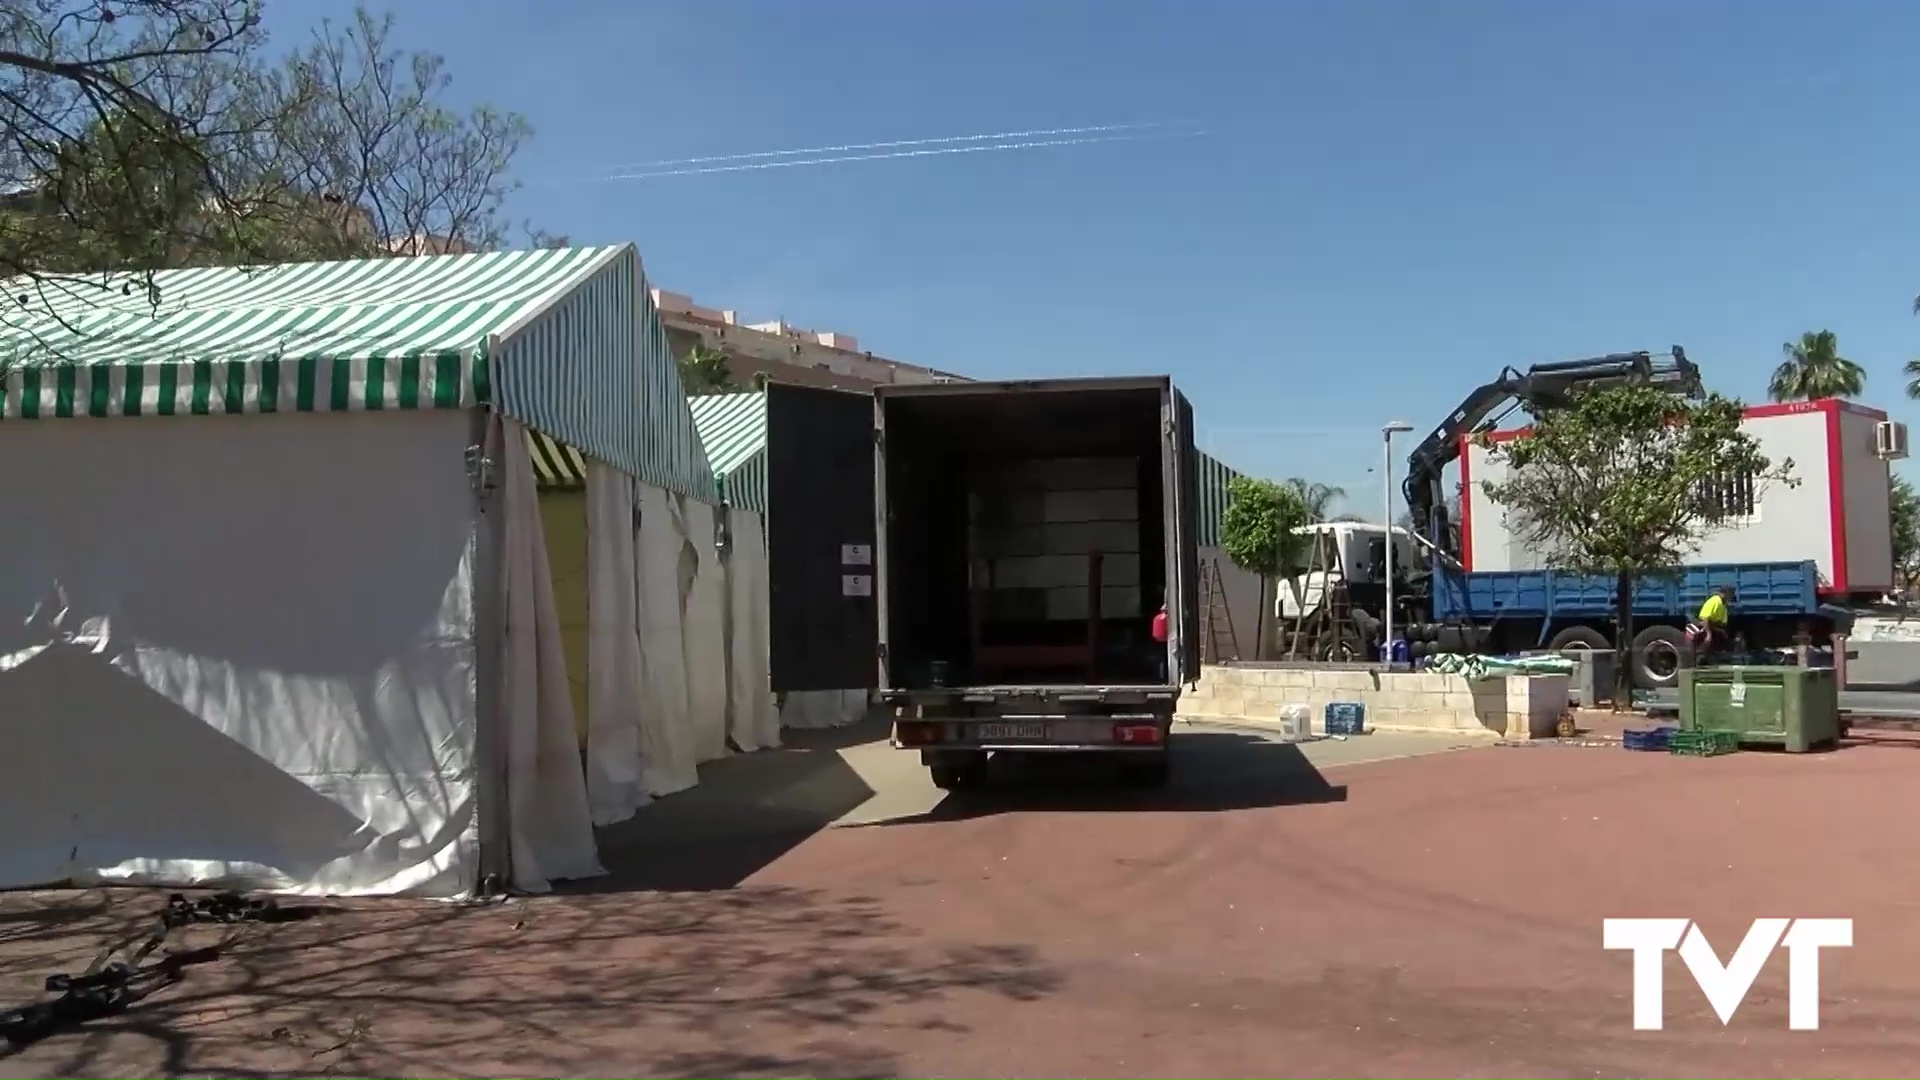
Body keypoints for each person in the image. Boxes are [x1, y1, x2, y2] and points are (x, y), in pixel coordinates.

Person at [1693, 585, 1735, 655]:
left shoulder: (1723, 604)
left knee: (1723, 636)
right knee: (1709, 639)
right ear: (1725, 593)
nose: (1732, 595)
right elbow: (1704, 618)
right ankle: (1698, 654)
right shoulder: (1715, 601)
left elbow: (1721, 622)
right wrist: (1708, 634)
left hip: (1712, 625)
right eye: (1731, 593)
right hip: (1704, 626)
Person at [1150, 601, 1170, 681]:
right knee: (1165, 660)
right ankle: (1164, 676)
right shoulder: (1167, 618)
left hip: (1157, 640)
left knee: (1160, 659)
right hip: (1165, 640)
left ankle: (1159, 676)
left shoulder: (1156, 617)